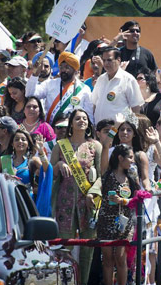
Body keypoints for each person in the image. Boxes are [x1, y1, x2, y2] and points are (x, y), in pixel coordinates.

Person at [50, 109, 102, 285]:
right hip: (64, 202)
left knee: (87, 249)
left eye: (84, 118)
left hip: (88, 203)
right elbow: (50, 174)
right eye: (77, 118)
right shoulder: (60, 145)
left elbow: (102, 176)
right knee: (64, 247)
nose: (81, 121)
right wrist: (58, 164)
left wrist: (93, 194)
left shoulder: (95, 146)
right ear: (71, 123)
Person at [97, 144, 139, 285]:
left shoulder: (132, 175)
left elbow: (138, 198)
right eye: (130, 157)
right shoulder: (107, 173)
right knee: (107, 259)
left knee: (121, 259)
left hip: (124, 222)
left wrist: (124, 201)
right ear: (120, 158)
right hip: (106, 220)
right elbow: (104, 148)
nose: (133, 161)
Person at [26, 51, 94, 124]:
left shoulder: (84, 89)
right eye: (61, 67)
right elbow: (29, 94)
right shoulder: (50, 84)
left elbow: (89, 115)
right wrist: (35, 75)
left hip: (73, 130)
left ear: (75, 70)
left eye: (67, 67)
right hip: (52, 129)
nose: (63, 70)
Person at [92, 46, 144, 124]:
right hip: (99, 131)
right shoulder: (101, 79)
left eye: (109, 60)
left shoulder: (128, 79)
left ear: (118, 60)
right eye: (104, 60)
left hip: (117, 131)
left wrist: (133, 129)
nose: (106, 63)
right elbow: (94, 105)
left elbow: (136, 108)